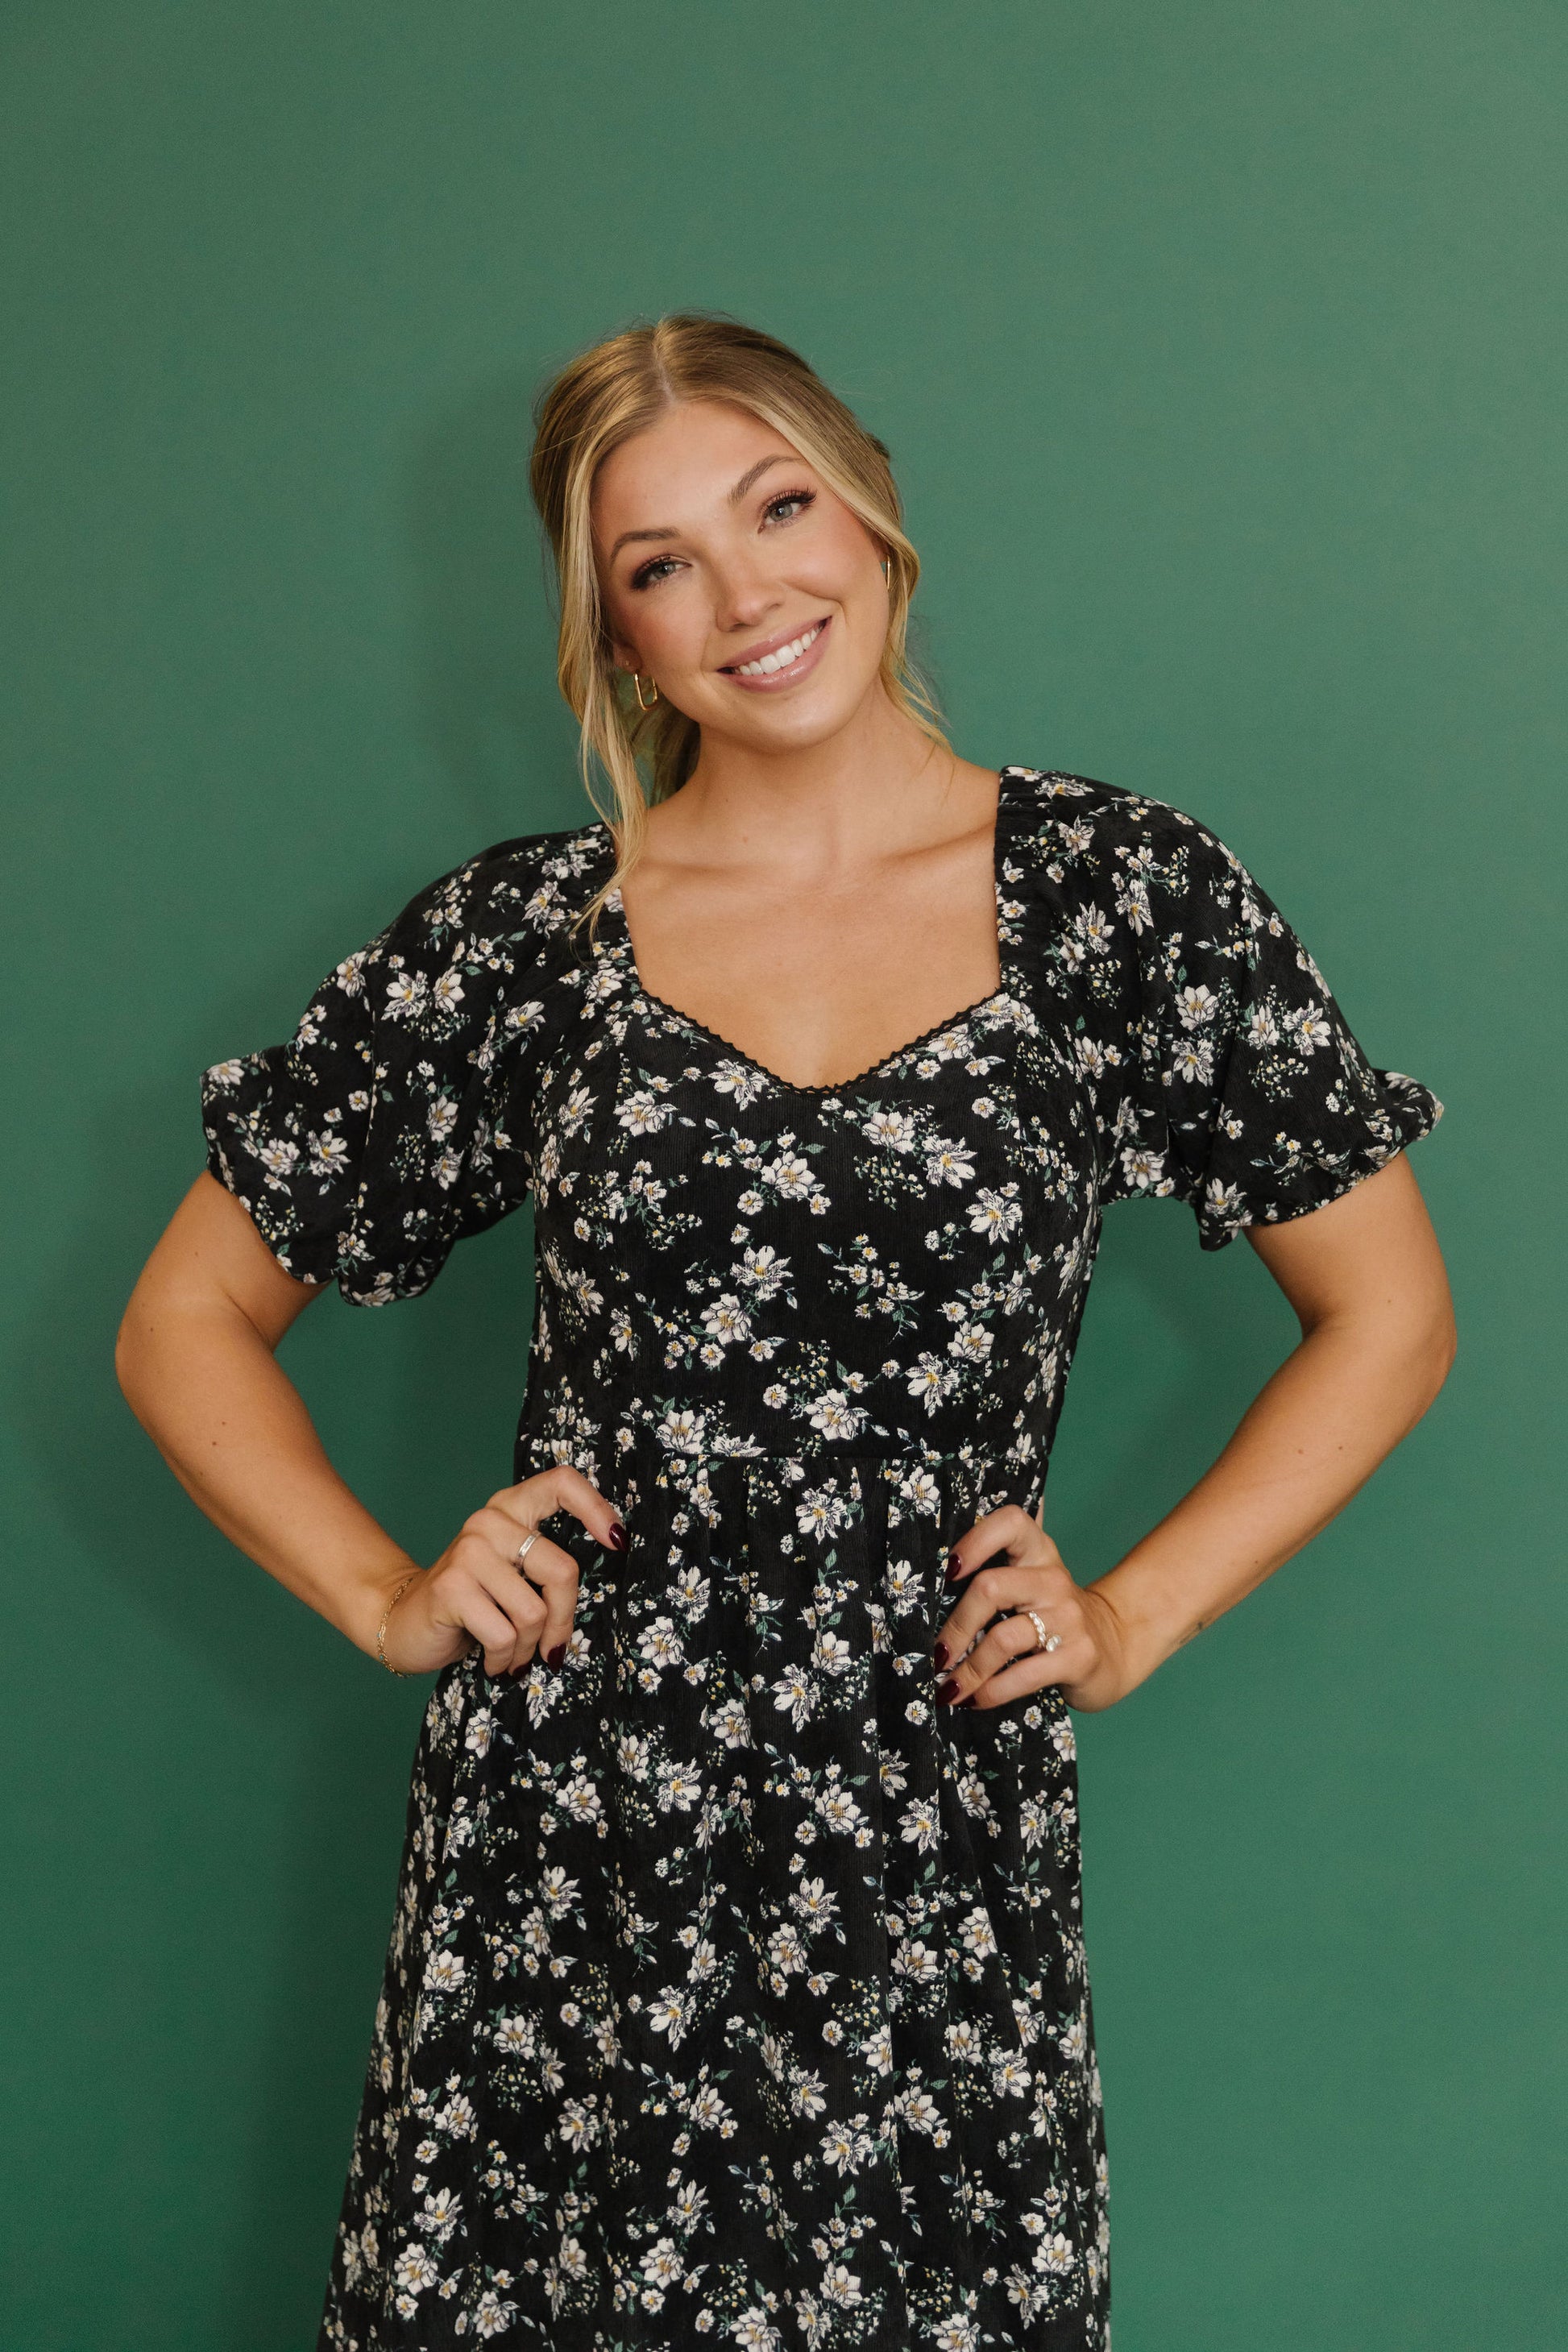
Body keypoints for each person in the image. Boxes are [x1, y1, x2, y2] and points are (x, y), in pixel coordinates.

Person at [116, 313, 1454, 2352]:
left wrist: (1131, 1613)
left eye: (776, 506)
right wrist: (390, 1591)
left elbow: (1387, 1312)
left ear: (872, 507)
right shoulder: (529, 936)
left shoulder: (1120, 899)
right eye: (658, 562)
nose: (744, 594)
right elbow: (187, 1314)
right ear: (613, 632)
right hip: (573, 1837)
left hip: (932, 1816)